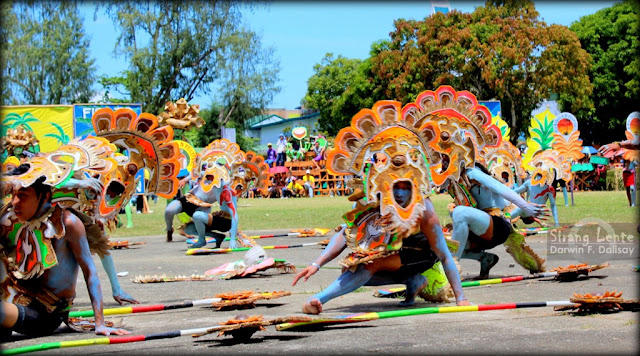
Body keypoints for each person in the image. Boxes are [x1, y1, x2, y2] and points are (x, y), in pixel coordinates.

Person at [1, 174, 129, 338]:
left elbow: (90, 272)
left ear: (45, 196)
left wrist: (100, 323)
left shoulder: (68, 223)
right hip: (17, 300)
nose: (14, 202)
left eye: (22, 196)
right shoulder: (19, 219)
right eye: (13, 196)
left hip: (45, 314)